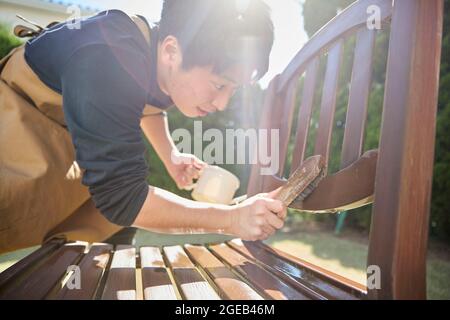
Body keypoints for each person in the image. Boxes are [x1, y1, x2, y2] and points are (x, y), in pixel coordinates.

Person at [0, 0, 286, 253]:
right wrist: (232, 220)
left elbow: (148, 107)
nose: (223, 103)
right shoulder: (107, 57)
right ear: (172, 51)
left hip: (71, 154)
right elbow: (124, 198)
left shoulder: (161, 59)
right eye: (219, 84)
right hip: (17, 137)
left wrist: (171, 156)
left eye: (233, 90)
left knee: (111, 228)